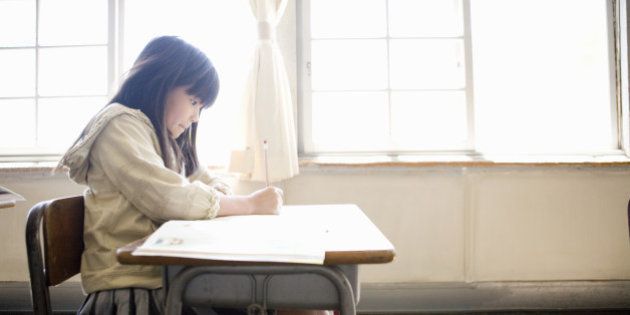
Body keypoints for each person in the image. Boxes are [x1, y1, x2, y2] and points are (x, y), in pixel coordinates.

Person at [58, 36, 289, 314]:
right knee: (283, 296)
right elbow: (168, 198)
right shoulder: (119, 126)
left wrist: (221, 197)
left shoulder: (166, 140)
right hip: (133, 289)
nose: (196, 117)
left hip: (170, 278)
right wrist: (249, 204)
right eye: (193, 102)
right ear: (160, 84)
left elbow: (204, 181)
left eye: (200, 107)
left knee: (289, 296)